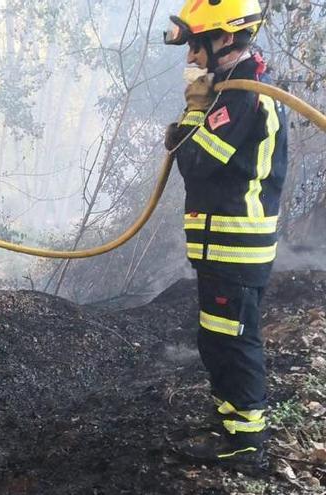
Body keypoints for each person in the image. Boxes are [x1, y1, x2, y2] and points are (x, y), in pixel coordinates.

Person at [163, 0, 287, 467]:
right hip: (222, 247)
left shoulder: (243, 95)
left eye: (197, 46)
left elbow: (195, 164)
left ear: (225, 38)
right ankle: (230, 425)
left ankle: (246, 444)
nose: (192, 59)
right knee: (217, 338)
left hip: (237, 247)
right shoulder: (230, 91)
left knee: (233, 340)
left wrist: (193, 112)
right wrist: (197, 109)